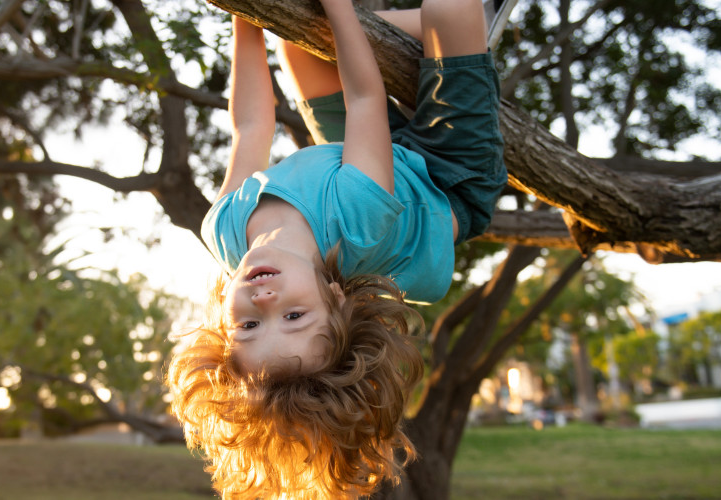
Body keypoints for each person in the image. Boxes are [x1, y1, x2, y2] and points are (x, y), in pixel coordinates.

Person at [166, 0, 505, 497]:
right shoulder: (354, 220)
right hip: (449, 176)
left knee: (299, 44)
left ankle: (445, 45)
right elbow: (364, 99)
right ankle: (474, 27)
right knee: (450, 9)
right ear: (337, 297)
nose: (265, 301)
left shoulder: (225, 229)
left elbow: (251, 127)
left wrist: (246, 19)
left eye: (248, 326)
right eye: (294, 316)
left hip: (361, 159)